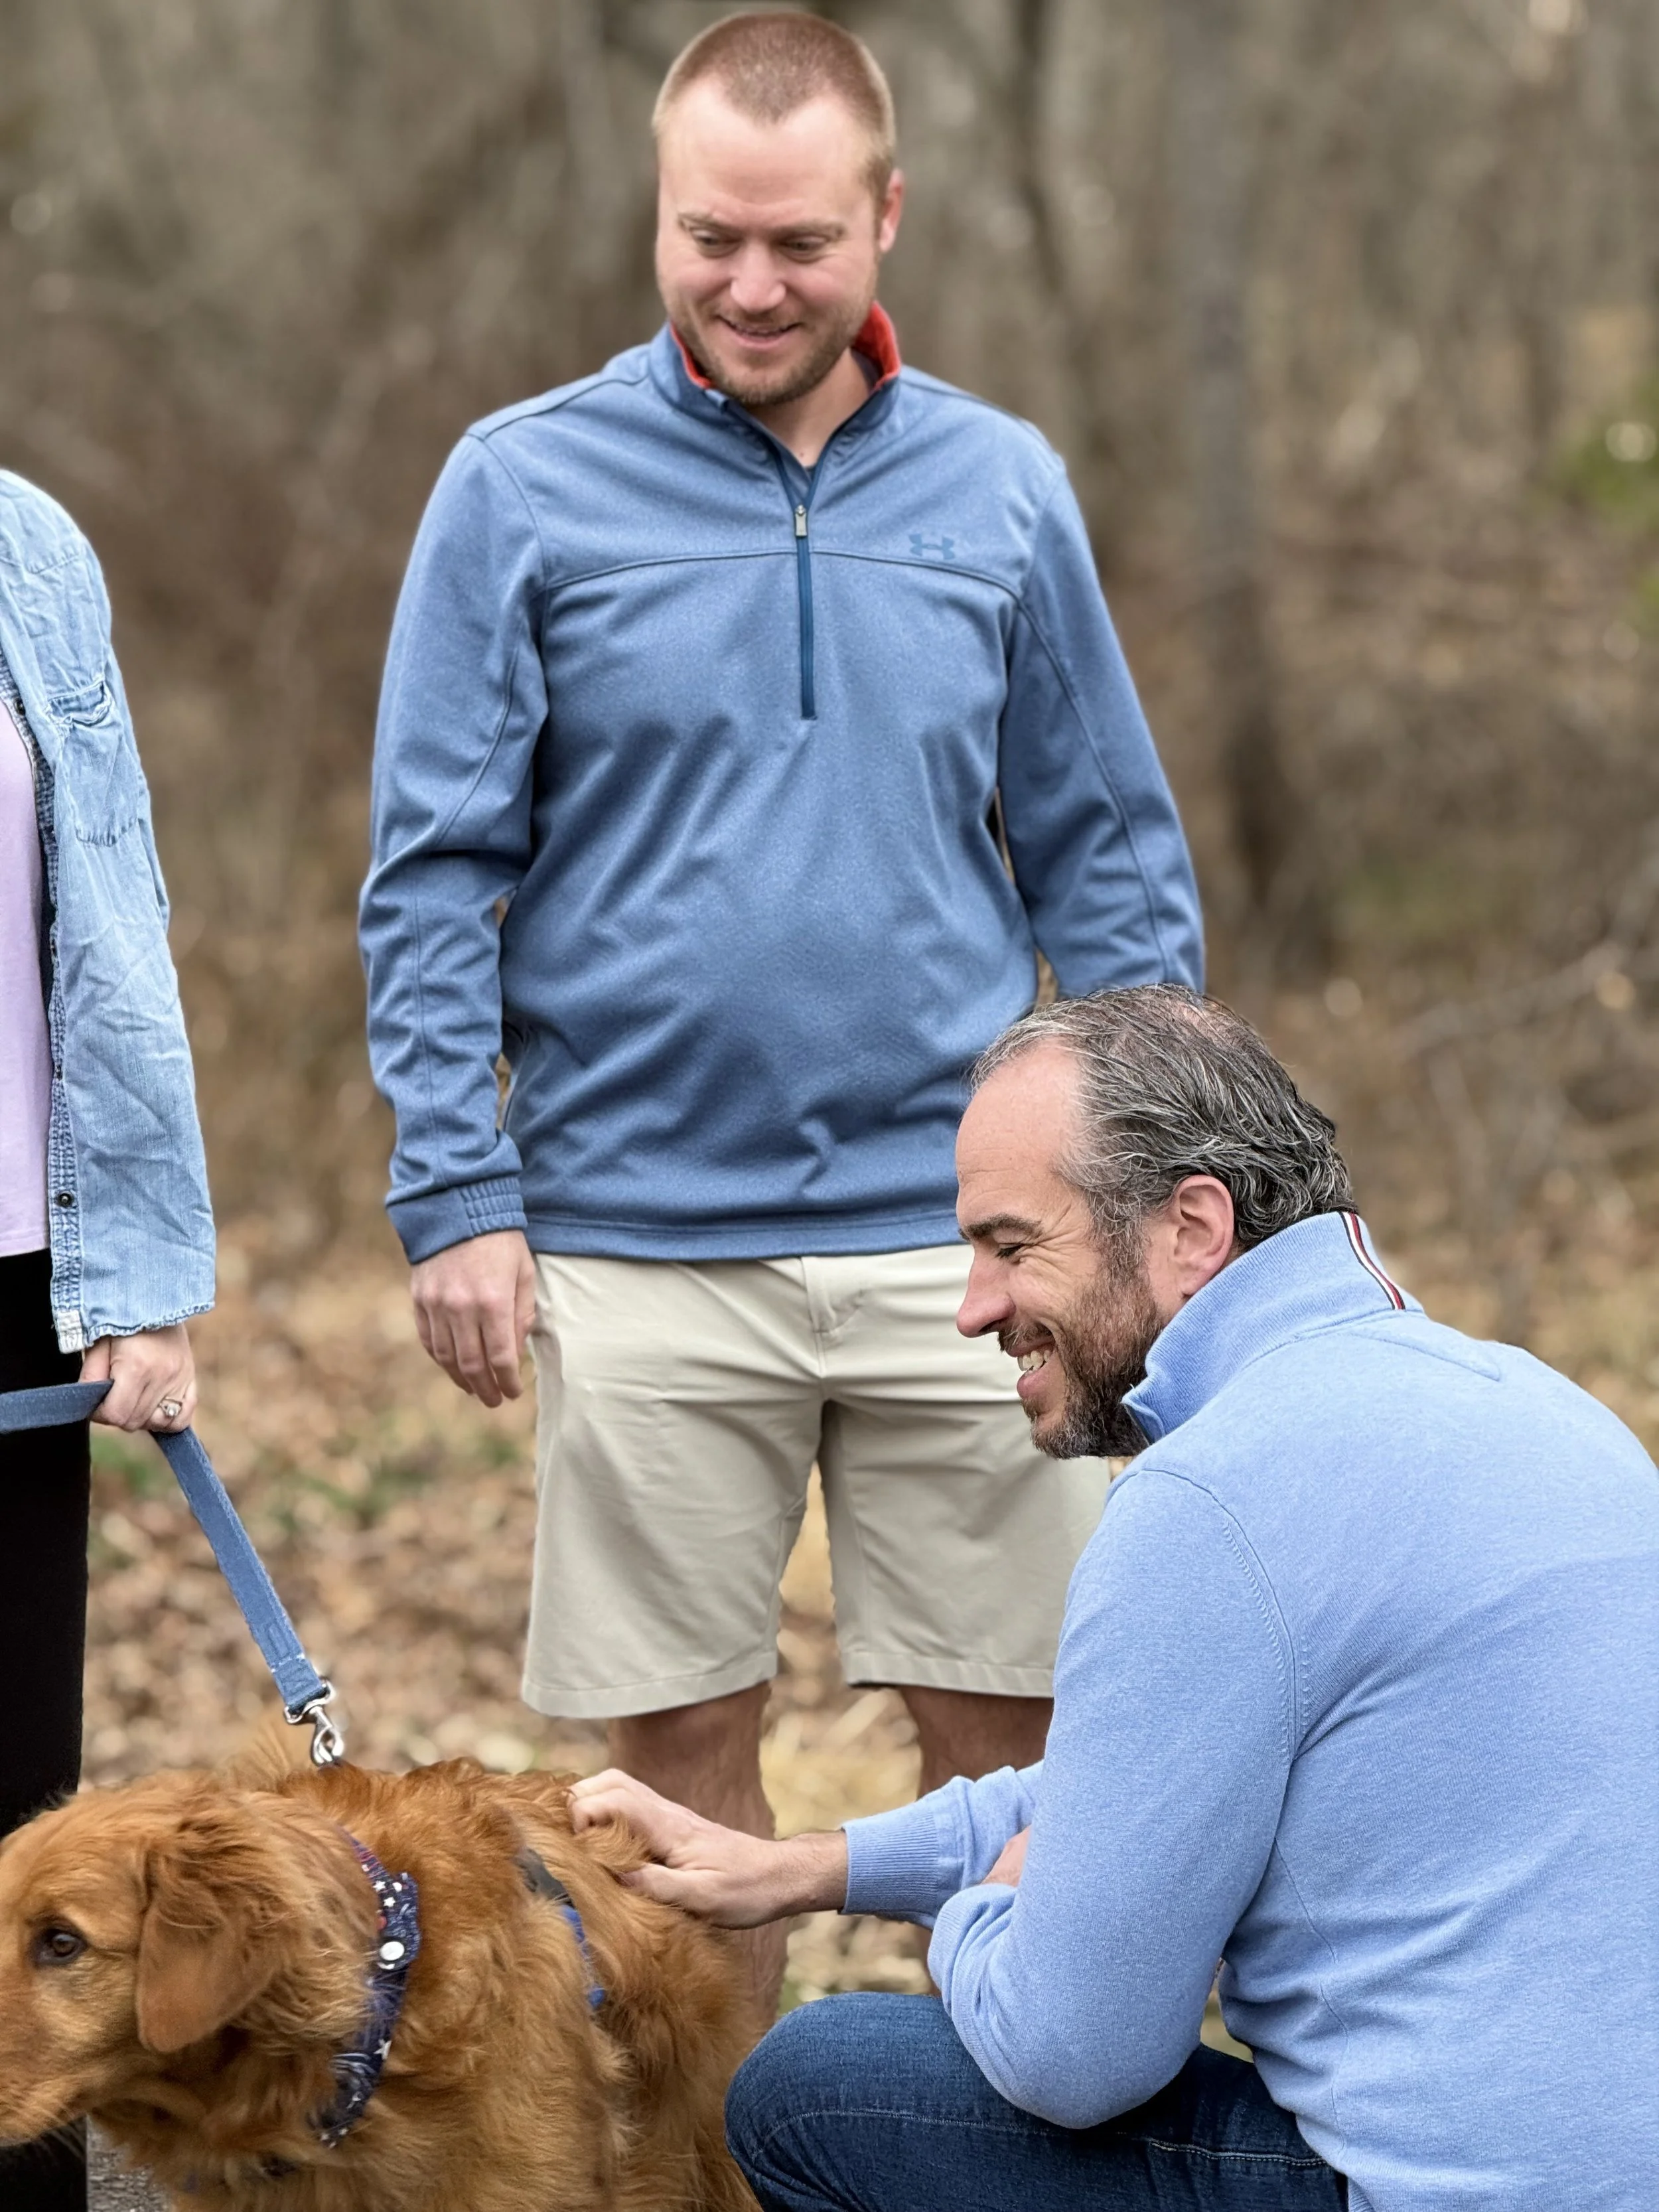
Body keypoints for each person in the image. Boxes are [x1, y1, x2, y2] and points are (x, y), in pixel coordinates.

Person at [360, 11, 1202, 2001]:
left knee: (1019, 1750)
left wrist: (1158, 1203)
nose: (750, 285)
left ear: (884, 218)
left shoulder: (1000, 490)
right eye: (707, 238)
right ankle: (712, 2164)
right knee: (668, 1802)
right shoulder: (520, 487)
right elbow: (431, 873)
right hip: (637, 1242)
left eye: (799, 242)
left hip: (972, 1247)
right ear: (658, 218)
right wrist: (457, 1190)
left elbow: (1110, 862)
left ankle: (988, 2133)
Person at [569, 984, 1659, 2212]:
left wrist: (986, 1908)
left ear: (1193, 1227)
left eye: (1011, 1246)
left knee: (824, 2082)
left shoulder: (1212, 1500)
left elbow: (1070, 2056)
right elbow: (1139, 1779)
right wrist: (807, 1868)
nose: (974, 1306)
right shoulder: (1552, 1413)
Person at [0, 471, 214, 2211]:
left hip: (16, 1271)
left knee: (15, 1844)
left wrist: (139, 1270)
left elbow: (109, 914)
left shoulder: (30, 548)